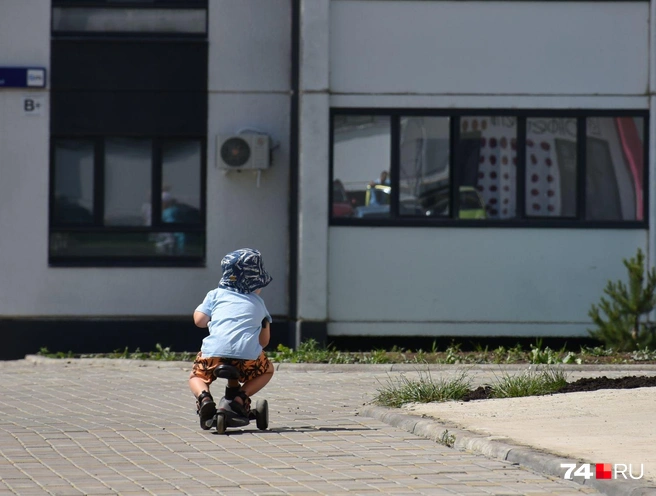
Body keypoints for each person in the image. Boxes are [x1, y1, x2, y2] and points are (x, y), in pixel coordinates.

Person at [188, 248, 275, 430]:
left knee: (197, 376)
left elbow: (199, 321)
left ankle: (204, 397)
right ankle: (240, 397)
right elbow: (264, 342)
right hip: (246, 358)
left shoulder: (215, 295)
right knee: (267, 370)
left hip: (213, 355)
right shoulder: (259, 304)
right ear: (255, 284)